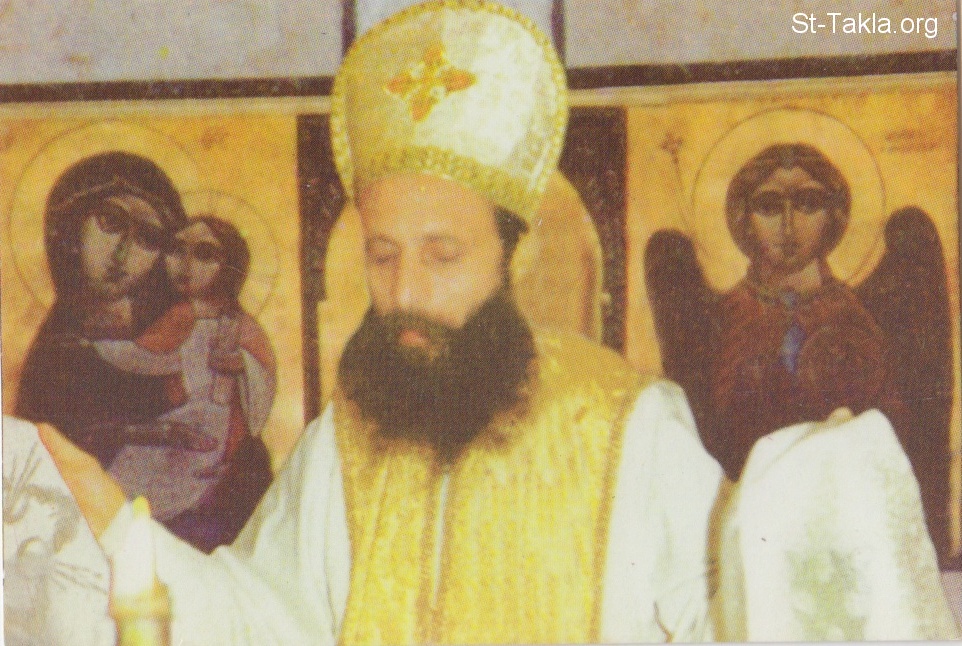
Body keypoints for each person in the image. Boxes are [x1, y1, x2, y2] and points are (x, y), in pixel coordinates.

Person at [31, 1, 957, 643]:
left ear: (512, 256)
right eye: (382, 255)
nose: (405, 291)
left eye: (442, 255)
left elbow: (733, 615)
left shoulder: (625, 427)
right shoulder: (342, 443)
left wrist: (818, 512)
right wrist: (120, 534)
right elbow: (257, 620)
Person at [709, 143, 906, 479]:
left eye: (808, 203)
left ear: (833, 215)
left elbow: (890, 431)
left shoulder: (852, 315)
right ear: (744, 217)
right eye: (769, 206)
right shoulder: (726, 317)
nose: (789, 226)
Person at [89, 215, 276, 552]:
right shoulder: (178, 315)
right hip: (180, 429)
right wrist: (98, 345)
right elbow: (143, 357)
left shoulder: (241, 325)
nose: (185, 265)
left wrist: (242, 365)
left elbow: (262, 383)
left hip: (218, 442)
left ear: (231, 265)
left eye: (204, 254)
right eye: (177, 250)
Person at [16, 151, 198, 466]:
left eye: (148, 238)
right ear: (74, 225)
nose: (122, 253)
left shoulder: (177, 338)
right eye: (111, 222)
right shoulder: (54, 348)